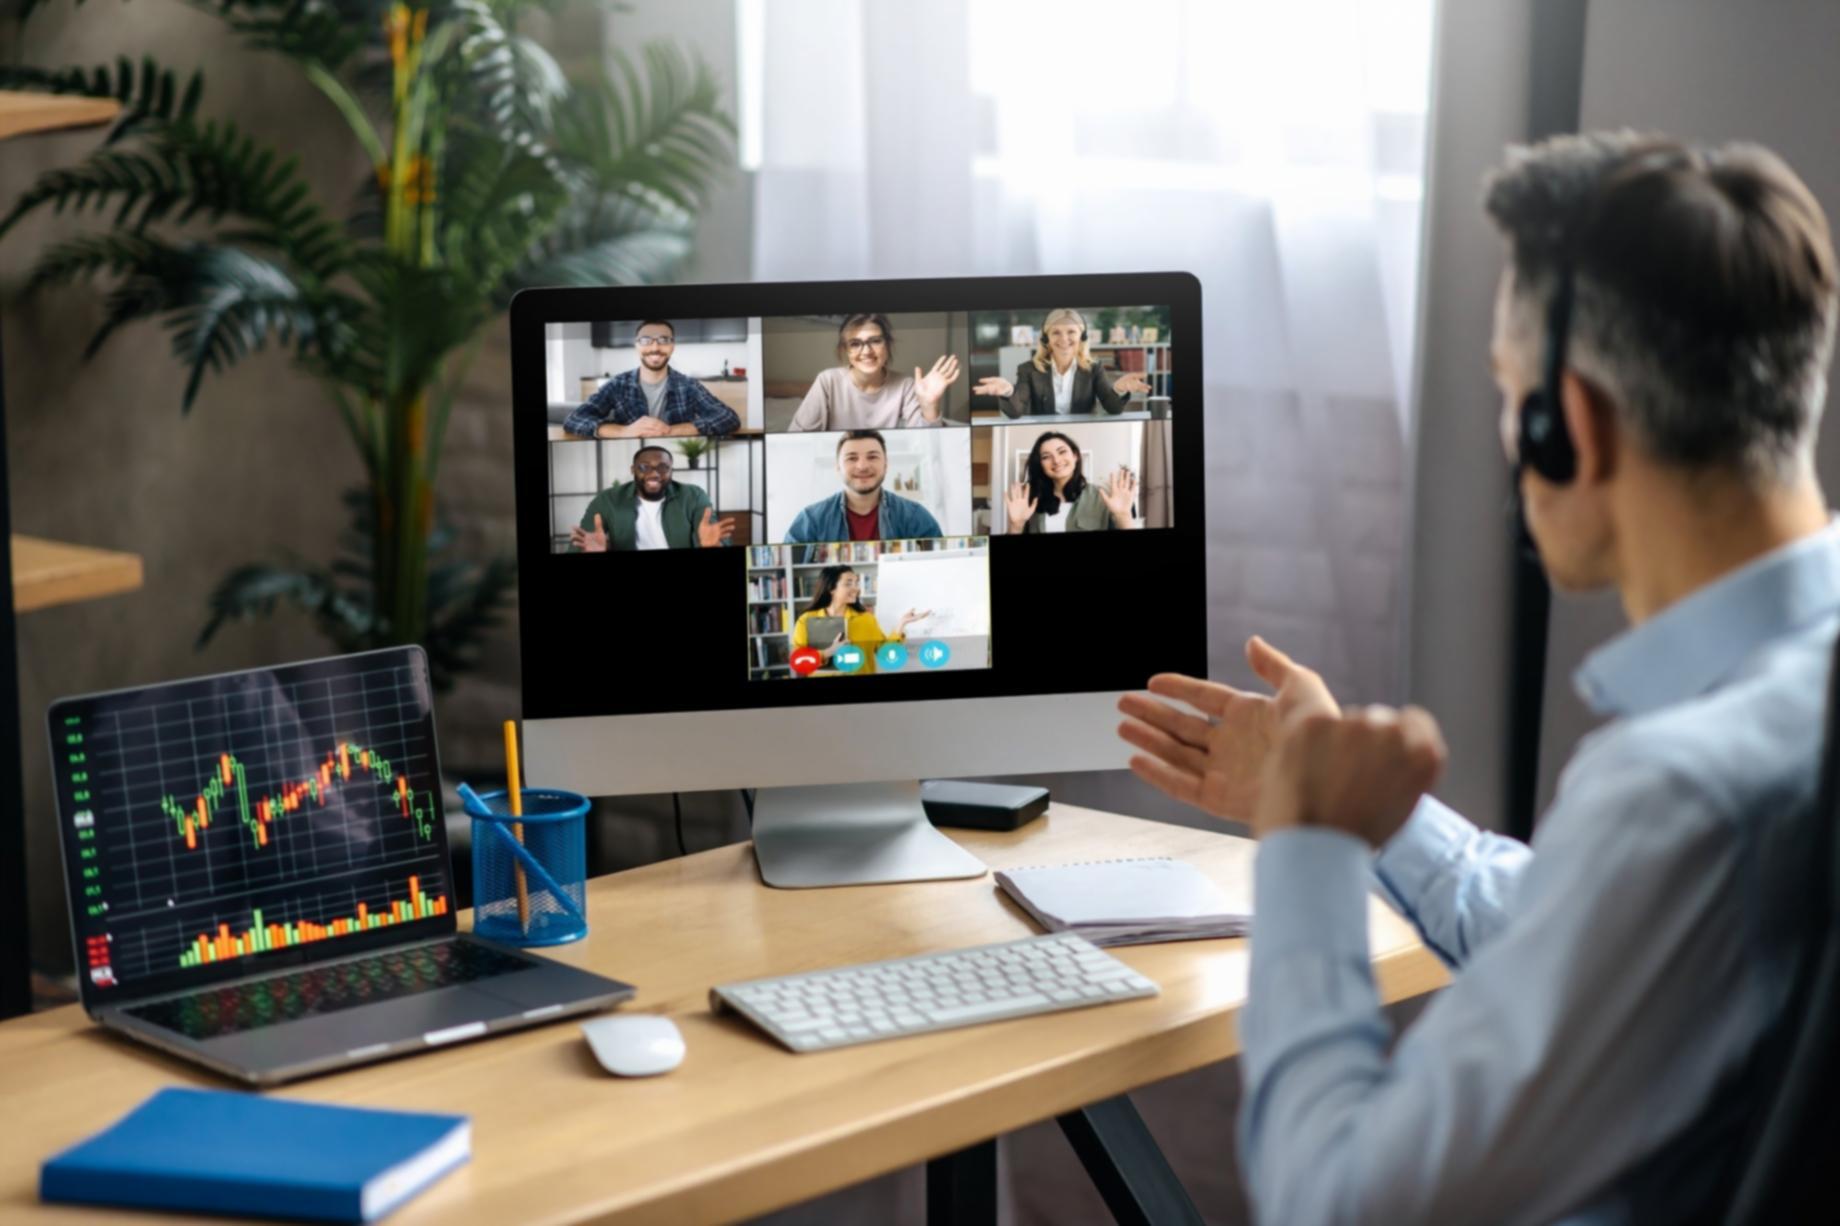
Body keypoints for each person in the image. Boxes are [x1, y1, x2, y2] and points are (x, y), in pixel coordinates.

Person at [1117, 132, 1840, 1223]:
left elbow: (1333, 1197)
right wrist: (1375, 819)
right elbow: (1614, 947)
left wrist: (1308, 850)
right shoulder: (1773, 726)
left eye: (1510, 392)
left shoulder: (1676, 793)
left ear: (1565, 428)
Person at [561, 319, 741, 438]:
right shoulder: (617, 385)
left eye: (664, 340)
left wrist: (670, 431)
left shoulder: (688, 385)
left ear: (672, 346)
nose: (655, 347)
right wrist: (624, 431)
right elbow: (574, 419)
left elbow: (729, 418)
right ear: (636, 346)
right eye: (646, 340)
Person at [788, 314, 961, 431]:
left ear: (887, 345)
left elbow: (927, 443)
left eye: (875, 341)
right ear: (845, 350)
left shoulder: (905, 385)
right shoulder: (827, 381)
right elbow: (797, 436)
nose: (866, 351)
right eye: (855, 344)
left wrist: (929, 405)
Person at [972, 308, 1152, 417]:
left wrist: (1118, 389)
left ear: (1082, 337)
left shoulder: (1094, 369)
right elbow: (1015, 410)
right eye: (1056, 332)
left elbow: (1112, 408)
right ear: (1046, 339)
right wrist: (1008, 392)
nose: (1064, 339)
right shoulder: (1028, 369)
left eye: (1071, 332)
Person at [783, 430, 943, 544]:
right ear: (838, 467)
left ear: (886, 464)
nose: (862, 466)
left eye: (872, 457)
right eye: (852, 458)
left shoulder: (916, 517)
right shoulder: (810, 520)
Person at [569, 446, 733, 551]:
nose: (654, 474)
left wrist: (710, 546)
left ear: (671, 470)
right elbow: (581, 544)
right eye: (644, 467)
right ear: (633, 469)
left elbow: (713, 536)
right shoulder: (607, 500)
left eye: (663, 467)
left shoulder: (694, 496)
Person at [789, 565, 929, 675]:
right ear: (831, 588)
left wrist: (901, 624)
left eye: (856, 583)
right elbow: (798, 662)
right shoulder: (806, 620)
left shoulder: (866, 619)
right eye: (848, 583)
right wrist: (829, 652)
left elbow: (885, 654)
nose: (856, 588)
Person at [1003, 430, 1137, 533]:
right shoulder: (1031, 501)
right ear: (1040, 465)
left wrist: (1123, 516)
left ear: (1075, 456)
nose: (1056, 460)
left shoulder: (1102, 497)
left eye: (1062, 452)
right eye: (1046, 457)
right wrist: (1015, 526)